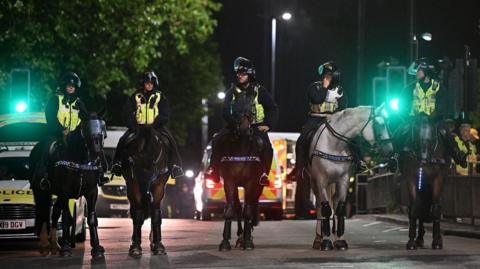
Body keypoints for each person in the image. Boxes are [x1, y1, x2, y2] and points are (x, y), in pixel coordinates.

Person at [205, 57, 279, 186]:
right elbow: (225, 111)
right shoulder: (231, 92)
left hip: (256, 127)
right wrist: (234, 124)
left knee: (267, 146)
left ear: (250, 74)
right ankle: (214, 171)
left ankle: (264, 174)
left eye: (243, 73)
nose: (240, 76)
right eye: (238, 73)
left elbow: (272, 108)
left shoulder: (260, 91)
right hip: (233, 126)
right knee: (217, 140)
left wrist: (268, 124)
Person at [111, 71, 184, 179]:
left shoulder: (160, 95)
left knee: (170, 140)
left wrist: (156, 123)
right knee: (123, 140)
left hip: (156, 127)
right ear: (143, 84)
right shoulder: (135, 96)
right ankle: (117, 164)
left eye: (151, 83)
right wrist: (133, 124)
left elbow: (165, 112)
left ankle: (175, 166)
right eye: (147, 83)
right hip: (138, 127)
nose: (149, 85)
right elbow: (127, 111)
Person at [287, 61, 347, 181]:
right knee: (302, 140)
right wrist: (324, 87)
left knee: (349, 135)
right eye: (330, 75)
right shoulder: (315, 87)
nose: (333, 77)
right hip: (315, 118)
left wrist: (336, 117)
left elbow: (343, 107)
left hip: (333, 121)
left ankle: (358, 161)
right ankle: (299, 169)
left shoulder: (340, 90)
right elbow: (317, 99)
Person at [40, 72, 89, 189]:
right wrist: (61, 130)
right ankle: (44, 176)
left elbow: (86, 118)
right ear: (64, 86)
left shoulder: (79, 103)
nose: (71, 87)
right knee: (47, 147)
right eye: (69, 85)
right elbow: (50, 117)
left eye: (73, 86)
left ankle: (95, 175)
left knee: (89, 148)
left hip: (74, 136)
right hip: (57, 134)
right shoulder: (55, 99)